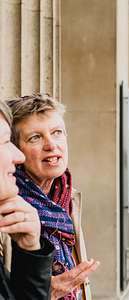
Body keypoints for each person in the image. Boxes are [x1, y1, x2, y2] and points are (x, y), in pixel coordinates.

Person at [4, 95, 99, 300]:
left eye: (57, 133)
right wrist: (43, 291)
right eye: (35, 137)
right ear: (15, 151)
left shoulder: (66, 196)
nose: (51, 145)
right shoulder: (8, 208)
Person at [0, 100, 54, 299]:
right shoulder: (9, 213)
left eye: (58, 132)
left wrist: (31, 251)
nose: (18, 156)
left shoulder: (69, 200)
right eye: (6, 142)